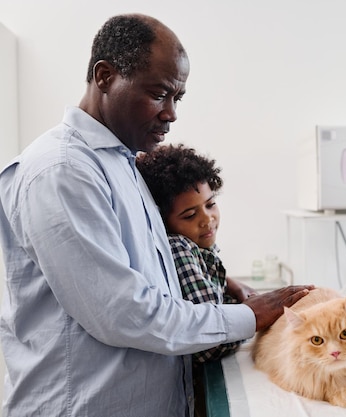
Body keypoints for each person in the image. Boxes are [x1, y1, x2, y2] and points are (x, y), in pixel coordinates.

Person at [0, 14, 312, 417]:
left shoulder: (123, 164)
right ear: (105, 76)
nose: (171, 113)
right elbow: (122, 312)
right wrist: (246, 317)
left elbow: (151, 270)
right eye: (159, 94)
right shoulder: (63, 170)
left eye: (177, 98)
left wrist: (224, 282)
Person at [136, 143, 255, 416]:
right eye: (190, 215)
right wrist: (254, 319)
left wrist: (231, 284)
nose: (207, 220)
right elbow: (207, 343)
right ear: (163, 222)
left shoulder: (199, 244)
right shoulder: (180, 248)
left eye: (211, 204)